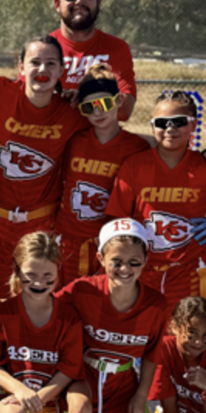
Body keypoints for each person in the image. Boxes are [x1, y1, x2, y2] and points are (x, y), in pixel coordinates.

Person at [0, 35, 90, 299]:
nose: (43, 69)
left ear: (62, 70)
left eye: (51, 63)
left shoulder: (73, 112)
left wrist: (84, 97)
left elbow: (114, 124)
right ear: (20, 66)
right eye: (35, 62)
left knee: (36, 302)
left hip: (40, 222)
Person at [106, 91, 206, 315]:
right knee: (143, 330)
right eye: (162, 123)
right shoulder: (135, 166)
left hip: (194, 268)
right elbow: (118, 217)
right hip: (144, 270)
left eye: (179, 121)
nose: (170, 128)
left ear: (193, 125)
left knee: (194, 332)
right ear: (152, 126)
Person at [55, 218, 168, 413]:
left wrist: (142, 395)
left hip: (122, 385)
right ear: (101, 258)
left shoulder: (156, 305)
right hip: (82, 375)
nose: (125, 269)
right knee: (79, 411)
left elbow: (152, 354)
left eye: (134, 262)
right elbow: (45, 308)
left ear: (146, 259)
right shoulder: (83, 290)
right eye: (116, 262)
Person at [0, 231, 86, 413]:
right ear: (17, 271)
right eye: (31, 275)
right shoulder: (2, 313)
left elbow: (69, 368)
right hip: (11, 399)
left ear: (58, 272)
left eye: (48, 275)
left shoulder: (68, 318)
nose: (39, 283)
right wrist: (20, 390)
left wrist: (40, 397)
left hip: (52, 403)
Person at [55, 64, 150, 285]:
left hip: (109, 241)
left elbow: (170, 148)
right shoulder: (73, 140)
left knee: (104, 300)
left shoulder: (136, 147)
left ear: (119, 101)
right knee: (63, 299)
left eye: (104, 104)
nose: (97, 113)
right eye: (89, 107)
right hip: (68, 238)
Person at [50, 0, 137, 121]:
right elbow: (27, 104)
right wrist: (100, 102)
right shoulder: (43, 49)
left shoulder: (116, 47)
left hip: (97, 136)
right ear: (57, 3)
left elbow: (124, 110)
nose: (79, 1)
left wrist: (82, 99)